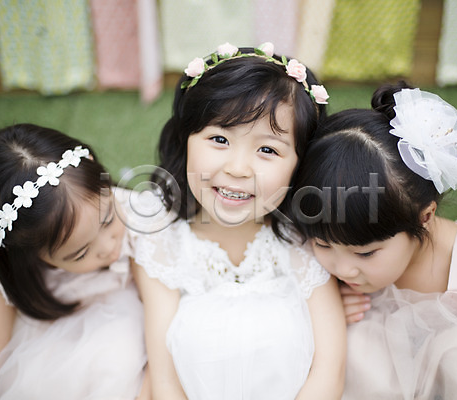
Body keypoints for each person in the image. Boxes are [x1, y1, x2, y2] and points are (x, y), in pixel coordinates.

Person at [283, 82, 457, 399]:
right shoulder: (326, 237)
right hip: (385, 347)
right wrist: (331, 304)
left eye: (364, 254)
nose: (343, 269)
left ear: (424, 217)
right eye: (322, 245)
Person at [133, 42, 346, 400]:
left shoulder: (305, 239)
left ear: (301, 163)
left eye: (267, 149)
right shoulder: (161, 242)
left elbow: (330, 369)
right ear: (186, 140)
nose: (237, 168)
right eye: (219, 139)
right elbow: (165, 379)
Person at [0, 124, 149, 400]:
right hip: (58, 333)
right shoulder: (13, 266)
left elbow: (160, 337)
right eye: (80, 253)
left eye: (107, 220)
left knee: (117, 363)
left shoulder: (142, 220)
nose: (108, 247)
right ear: (29, 255)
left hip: (131, 323)